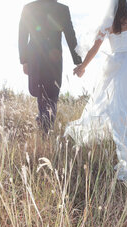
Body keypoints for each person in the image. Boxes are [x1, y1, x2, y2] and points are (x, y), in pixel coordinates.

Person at [64, 0, 127, 183]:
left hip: (114, 67)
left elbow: (95, 49)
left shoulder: (108, 25)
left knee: (115, 112)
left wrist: (82, 66)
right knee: (126, 114)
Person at [19, 0, 82, 133]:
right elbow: (71, 37)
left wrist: (24, 60)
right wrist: (78, 62)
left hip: (37, 58)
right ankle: (45, 124)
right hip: (53, 58)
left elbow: (22, 37)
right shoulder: (62, 9)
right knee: (50, 93)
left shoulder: (29, 8)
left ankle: (44, 125)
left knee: (44, 93)